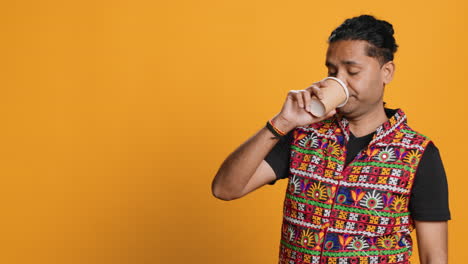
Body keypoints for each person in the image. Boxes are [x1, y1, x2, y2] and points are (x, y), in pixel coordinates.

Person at [211, 14, 450, 264]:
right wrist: (282, 122)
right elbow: (225, 189)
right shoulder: (303, 136)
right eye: (332, 71)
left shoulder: (418, 154)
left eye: (352, 71)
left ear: (386, 72)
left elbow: (434, 255)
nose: (339, 81)